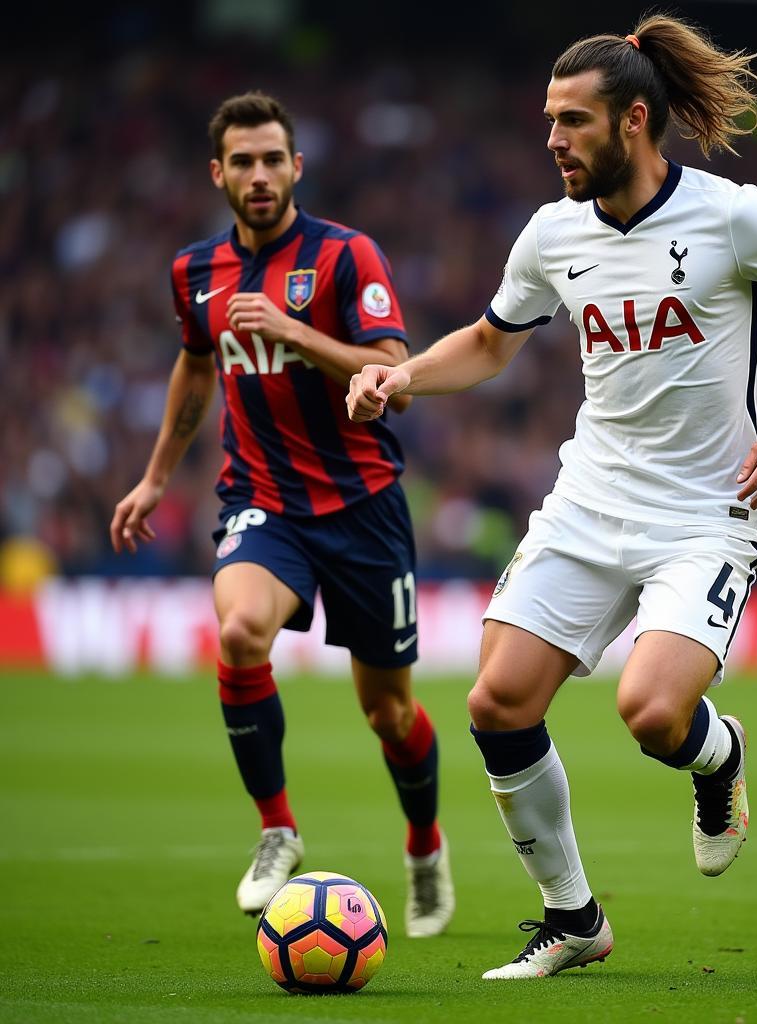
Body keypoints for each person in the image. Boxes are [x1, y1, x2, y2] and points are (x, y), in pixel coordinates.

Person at [350, 14, 757, 980]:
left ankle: (716, 757)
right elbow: (489, 341)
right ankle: (572, 918)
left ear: (633, 121)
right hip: (590, 498)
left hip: (706, 511)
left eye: (571, 122)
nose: (551, 140)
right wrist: (399, 378)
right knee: (497, 701)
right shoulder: (553, 233)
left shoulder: (735, 216)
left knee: (650, 714)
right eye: (548, 121)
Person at [110, 91, 454, 936]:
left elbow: (391, 376)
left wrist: (298, 334)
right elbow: (196, 370)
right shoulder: (195, 272)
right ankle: (276, 828)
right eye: (243, 162)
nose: (259, 176)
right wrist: (156, 478)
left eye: (274, 160)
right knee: (237, 634)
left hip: (365, 507)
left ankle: (424, 846)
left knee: (391, 714)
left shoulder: (346, 257)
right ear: (218, 172)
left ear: (297, 167)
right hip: (263, 502)